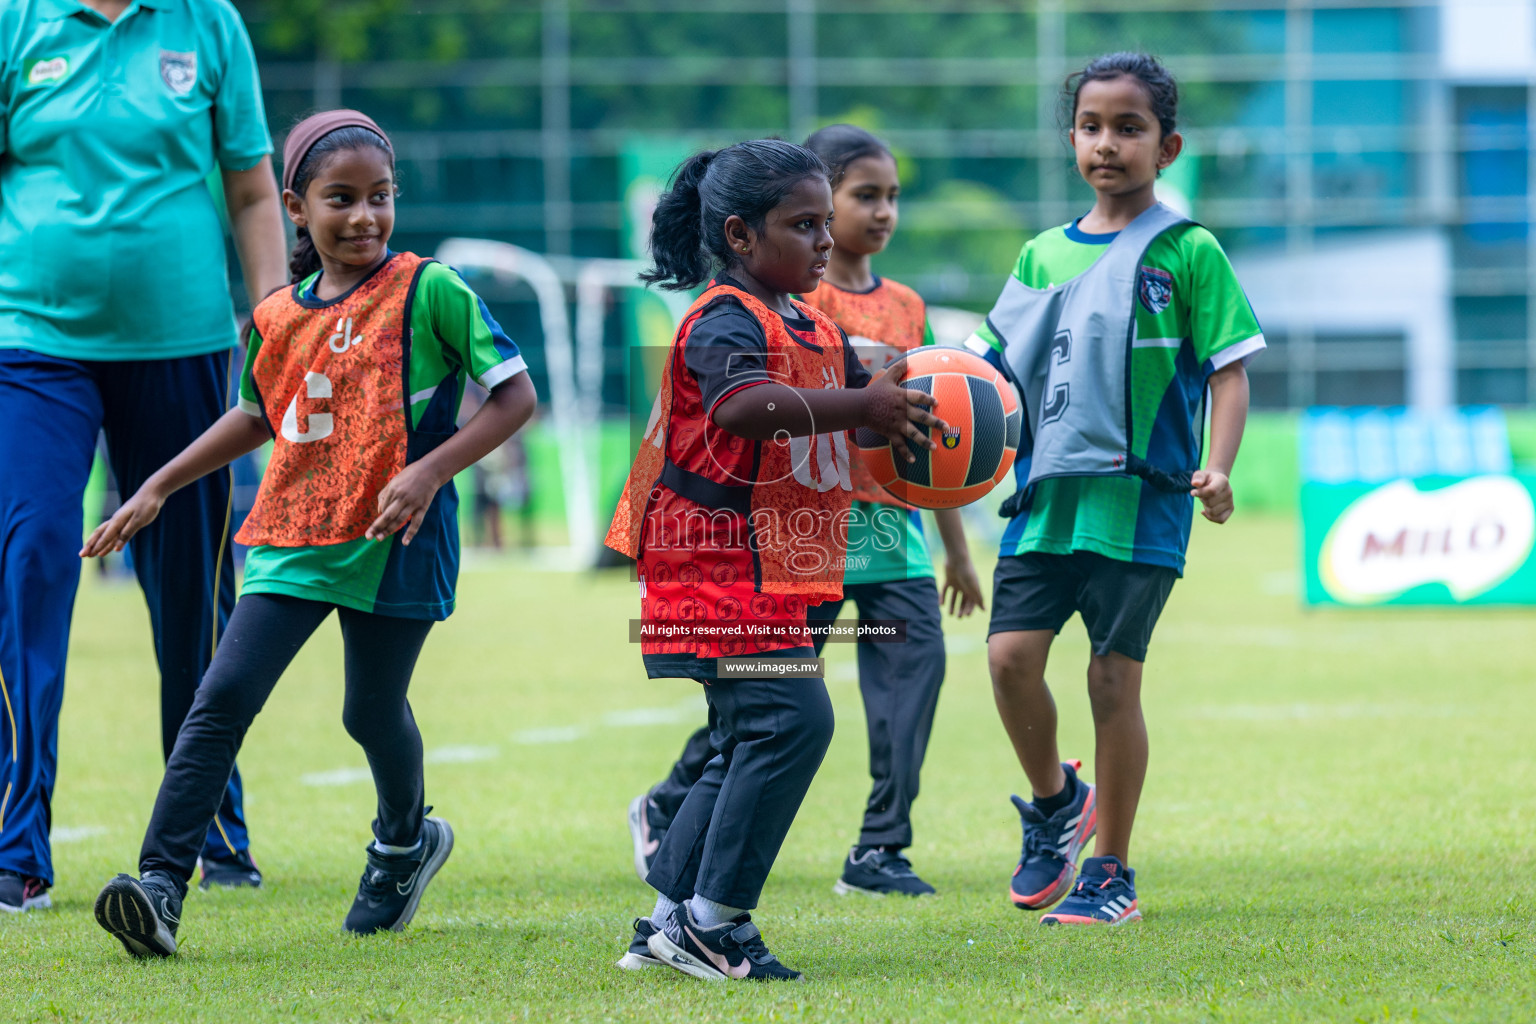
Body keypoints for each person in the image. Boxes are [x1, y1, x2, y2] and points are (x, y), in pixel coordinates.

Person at [80, 110, 537, 958]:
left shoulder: (430, 288)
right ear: (296, 206)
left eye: (380, 197)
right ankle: (161, 888)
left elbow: (515, 397)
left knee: (369, 712)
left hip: (396, 538)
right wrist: (156, 484)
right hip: (292, 536)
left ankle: (404, 844)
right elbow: (255, 418)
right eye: (341, 199)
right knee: (219, 701)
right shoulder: (276, 317)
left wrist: (432, 471)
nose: (364, 216)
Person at [608, 140, 945, 981]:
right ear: (741, 235)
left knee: (741, 737)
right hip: (715, 566)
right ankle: (715, 924)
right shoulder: (722, 315)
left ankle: (666, 923)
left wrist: (903, 420)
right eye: (804, 224)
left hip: (774, 567)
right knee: (792, 719)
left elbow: (847, 424)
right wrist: (859, 400)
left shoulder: (814, 325)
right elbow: (744, 406)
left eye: (824, 223)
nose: (824, 240)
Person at [0, 0, 289, 910]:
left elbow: (249, 189)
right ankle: (17, 846)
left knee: (194, 593)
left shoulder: (207, 24)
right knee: (30, 560)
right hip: (31, 343)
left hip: (184, 341)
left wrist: (281, 323)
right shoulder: (16, 21)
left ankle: (211, 824)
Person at [968, 53, 1263, 925]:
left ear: (1166, 146)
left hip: (1143, 503)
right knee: (1008, 661)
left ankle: (1112, 873)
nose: (1108, 144)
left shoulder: (1189, 249)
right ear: (1071, 139)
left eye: (1129, 129)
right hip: (1044, 501)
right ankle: (1058, 802)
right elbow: (992, 372)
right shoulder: (1041, 252)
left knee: (1110, 681)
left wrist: (1222, 465)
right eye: (1093, 127)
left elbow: (1230, 372)